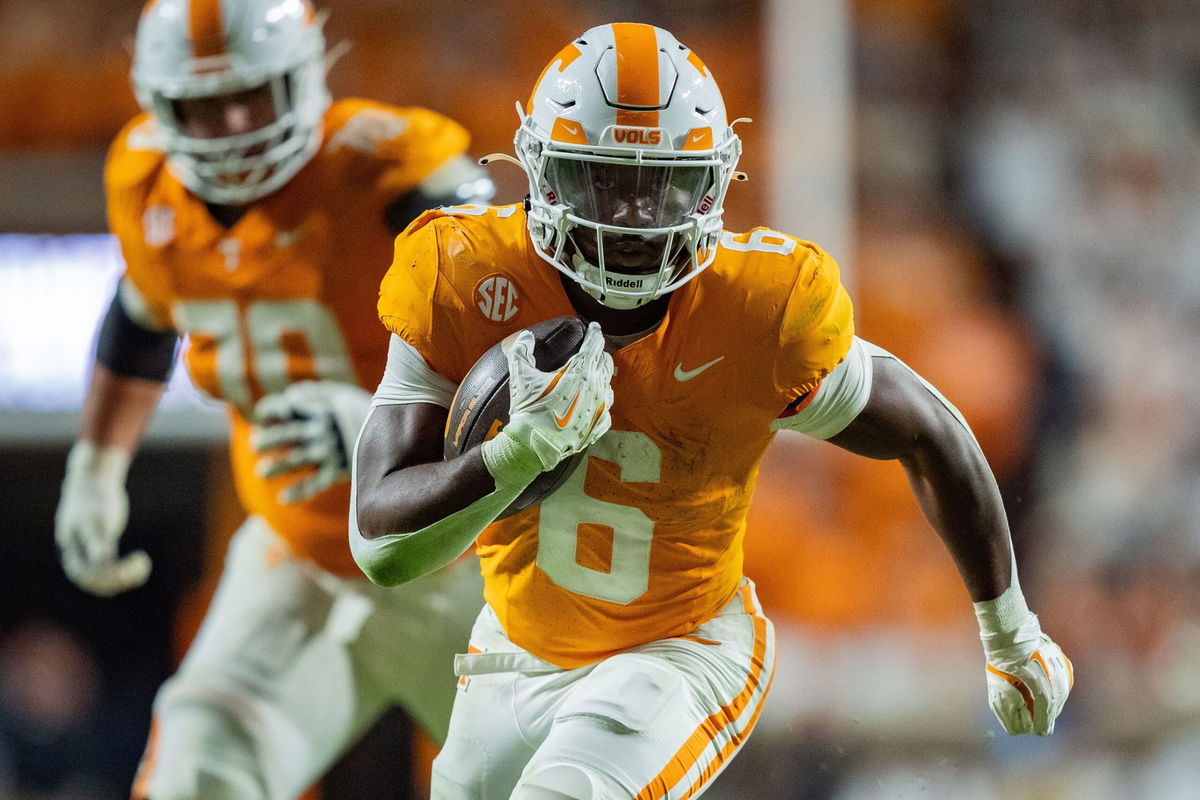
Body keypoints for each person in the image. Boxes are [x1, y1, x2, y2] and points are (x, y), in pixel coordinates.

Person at [350, 22, 1074, 800]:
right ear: (543, 172)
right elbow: (382, 547)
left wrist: (1011, 635)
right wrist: (509, 458)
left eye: (659, 182)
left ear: (713, 183)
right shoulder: (463, 272)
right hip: (515, 649)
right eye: (603, 179)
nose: (630, 218)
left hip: (681, 649)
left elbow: (929, 429)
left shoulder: (759, 307)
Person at [52, 1, 493, 797]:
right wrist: (97, 464)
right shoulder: (149, 182)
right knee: (198, 767)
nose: (230, 123)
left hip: (468, 558)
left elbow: (524, 348)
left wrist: (382, 430)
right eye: (201, 103)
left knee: (556, 781)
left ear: (304, 74)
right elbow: (143, 313)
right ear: (158, 102)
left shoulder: (393, 171)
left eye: (252, 94)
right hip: (300, 551)